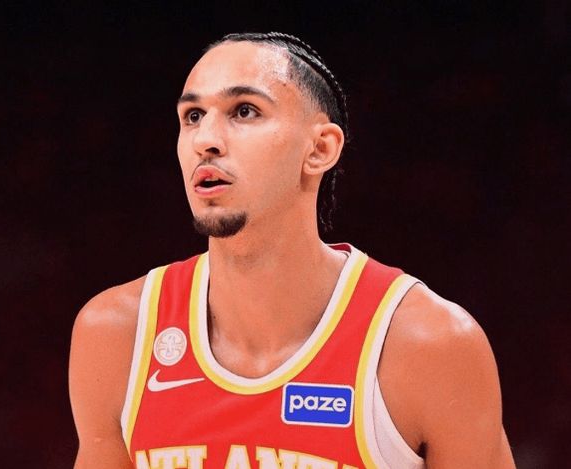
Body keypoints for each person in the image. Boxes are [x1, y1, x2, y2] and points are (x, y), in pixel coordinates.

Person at [69, 32, 515, 469]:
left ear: (320, 148)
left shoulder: (428, 346)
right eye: (193, 116)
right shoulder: (117, 335)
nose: (206, 139)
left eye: (244, 111)